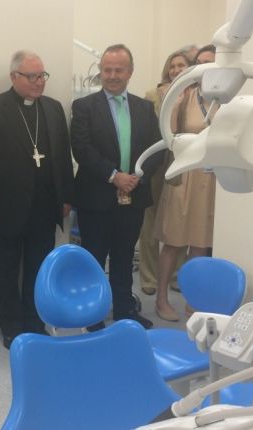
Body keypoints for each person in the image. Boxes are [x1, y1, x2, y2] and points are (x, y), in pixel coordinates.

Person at [0, 50, 75, 348]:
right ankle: (10, 325)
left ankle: (33, 319)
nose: (39, 82)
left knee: (39, 267)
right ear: (14, 76)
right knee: (4, 268)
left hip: (46, 205)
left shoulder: (53, 109)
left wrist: (66, 197)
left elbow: (63, 158)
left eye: (42, 75)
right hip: (5, 206)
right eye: (32, 76)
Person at [70, 44, 162, 330]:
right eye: (106, 70)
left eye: (118, 70)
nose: (111, 76)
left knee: (123, 258)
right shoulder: (84, 107)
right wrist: (114, 176)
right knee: (94, 258)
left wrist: (136, 177)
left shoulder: (145, 108)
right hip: (96, 196)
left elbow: (158, 148)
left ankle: (125, 310)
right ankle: (93, 313)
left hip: (133, 196)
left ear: (130, 72)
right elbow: (81, 148)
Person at [154, 44, 218, 322]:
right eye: (200, 62)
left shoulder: (225, 99)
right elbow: (166, 131)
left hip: (211, 178)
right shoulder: (185, 95)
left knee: (201, 245)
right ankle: (160, 299)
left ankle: (193, 302)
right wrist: (176, 102)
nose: (205, 68)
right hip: (185, 176)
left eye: (211, 63)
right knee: (173, 242)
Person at [138, 49, 192, 296]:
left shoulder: (196, 94)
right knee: (151, 221)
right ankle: (149, 276)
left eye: (182, 65)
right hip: (158, 165)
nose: (176, 70)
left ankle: (175, 275)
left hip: (185, 166)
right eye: (172, 65)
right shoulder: (153, 95)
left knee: (179, 221)